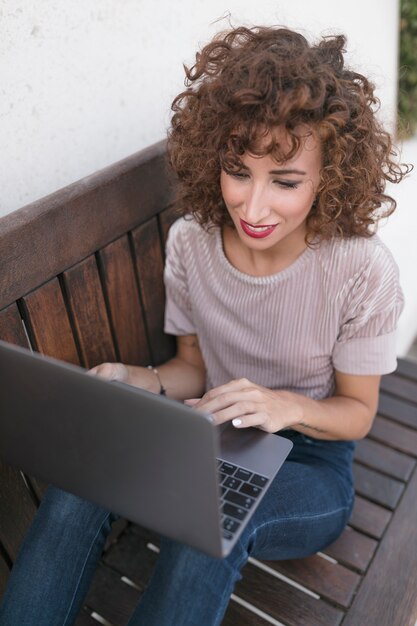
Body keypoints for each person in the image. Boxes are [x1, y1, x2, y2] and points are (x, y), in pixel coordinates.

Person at [0, 25, 410, 626]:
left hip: (311, 464)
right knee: (79, 480)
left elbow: (357, 412)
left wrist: (283, 406)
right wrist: (135, 379)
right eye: (238, 171)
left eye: (286, 182)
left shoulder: (360, 269)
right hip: (206, 437)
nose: (253, 206)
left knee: (215, 521)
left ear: (331, 178)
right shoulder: (190, 242)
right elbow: (192, 367)